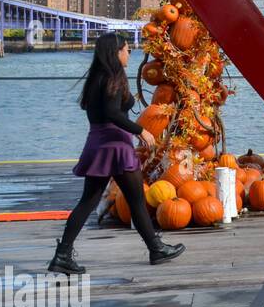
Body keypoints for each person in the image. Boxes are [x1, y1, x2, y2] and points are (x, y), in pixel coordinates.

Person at [51, 33, 185, 275]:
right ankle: (155, 248)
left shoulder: (97, 77)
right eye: (126, 49)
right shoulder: (114, 77)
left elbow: (98, 111)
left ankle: (63, 254)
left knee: (91, 201)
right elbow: (113, 113)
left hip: (99, 143)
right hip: (115, 146)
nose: (129, 54)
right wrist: (141, 130)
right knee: (134, 200)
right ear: (116, 53)